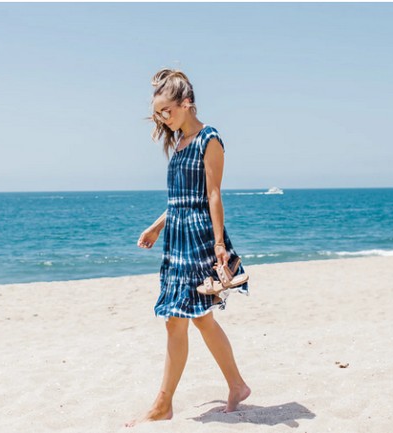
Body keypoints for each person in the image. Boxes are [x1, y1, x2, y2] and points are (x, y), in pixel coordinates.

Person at [126, 68, 251, 427]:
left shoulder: (208, 139)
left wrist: (218, 245)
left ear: (186, 103)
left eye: (167, 111)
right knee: (198, 318)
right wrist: (156, 226)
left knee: (178, 320)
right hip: (175, 237)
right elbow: (181, 199)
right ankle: (237, 385)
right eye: (159, 114)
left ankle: (163, 404)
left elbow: (212, 196)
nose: (163, 119)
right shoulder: (179, 142)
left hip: (197, 239)